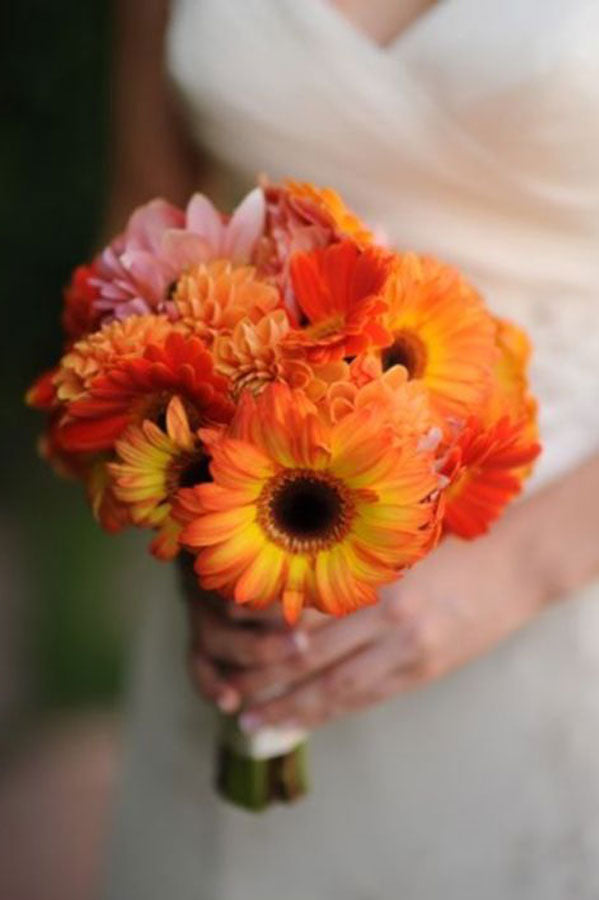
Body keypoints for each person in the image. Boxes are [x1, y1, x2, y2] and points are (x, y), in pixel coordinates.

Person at [103, 1, 599, 898]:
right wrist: (200, 505)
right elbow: (142, 233)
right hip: (256, 560)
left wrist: (518, 569)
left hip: (565, 568)